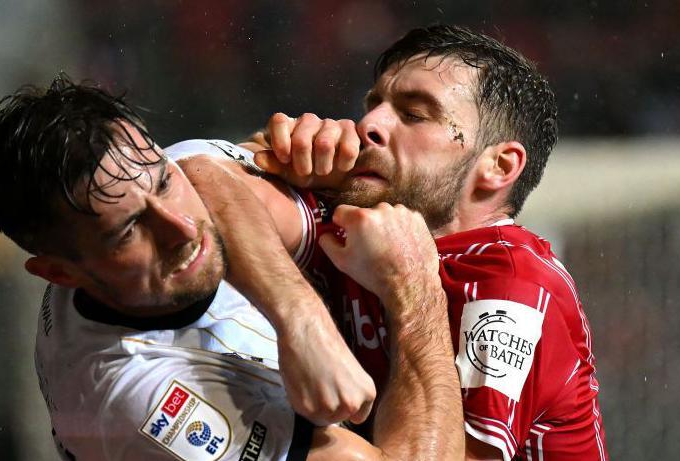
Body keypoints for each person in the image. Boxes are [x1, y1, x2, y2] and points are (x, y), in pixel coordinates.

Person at [0, 77, 464, 460]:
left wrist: (301, 319)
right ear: (60, 273)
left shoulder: (154, 178)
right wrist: (414, 289)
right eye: (128, 232)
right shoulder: (141, 403)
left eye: (163, 183)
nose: (182, 228)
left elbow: (204, 168)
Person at [232, 24, 608, 460]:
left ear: (499, 166)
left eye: (413, 115)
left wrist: (411, 289)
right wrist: (264, 160)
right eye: (373, 104)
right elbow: (197, 191)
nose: (368, 124)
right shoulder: (356, 217)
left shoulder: (514, 286)